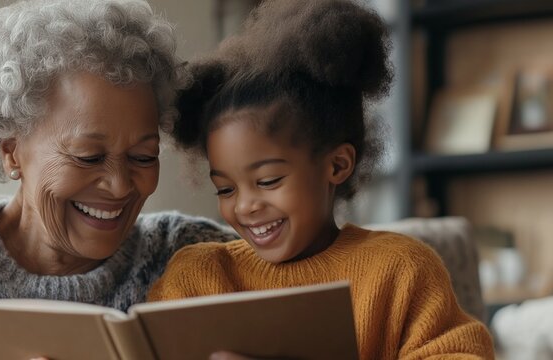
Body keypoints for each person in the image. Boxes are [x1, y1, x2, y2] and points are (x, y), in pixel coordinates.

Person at [0, 0, 236, 358]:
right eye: (89, 156)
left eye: (142, 156)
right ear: (11, 152)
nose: (120, 185)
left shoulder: (191, 254)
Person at [147, 0, 495, 359]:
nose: (245, 205)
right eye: (225, 188)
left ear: (338, 165)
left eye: (267, 181)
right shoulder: (196, 278)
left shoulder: (401, 269)